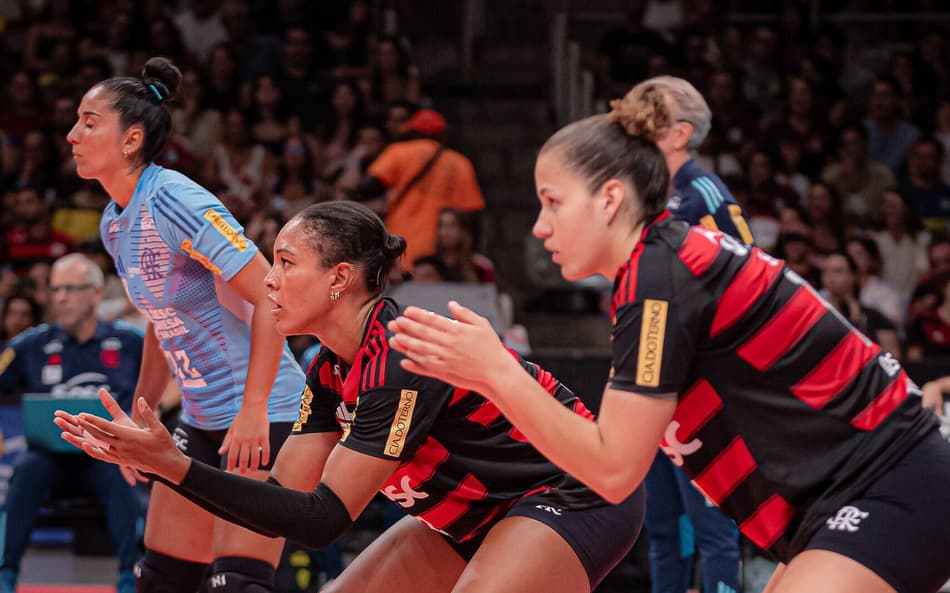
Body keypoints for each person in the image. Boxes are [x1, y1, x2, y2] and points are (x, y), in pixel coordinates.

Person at [386, 88, 950, 593]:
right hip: (838, 504)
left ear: (609, 199)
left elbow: (612, 471)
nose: (539, 225)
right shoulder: (658, 266)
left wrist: (496, 372)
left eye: (552, 201)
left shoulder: (660, 276)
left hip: (888, 487)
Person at [57, 201, 646, 593]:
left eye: (285, 263)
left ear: (339, 278)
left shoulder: (400, 355)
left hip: (572, 494)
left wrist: (175, 467)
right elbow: (285, 500)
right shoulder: (330, 369)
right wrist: (165, 467)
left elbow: (323, 520)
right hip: (469, 514)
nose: (268, 280)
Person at [65, 57, 306, 593]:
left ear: (131, 139)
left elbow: (272, 297)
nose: (72, 135)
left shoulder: (175, 199)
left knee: (237, 583)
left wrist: (253, 408)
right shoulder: (113, 222)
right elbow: (161, 318)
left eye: (88, 122)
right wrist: (140, 418)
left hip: (262, 414)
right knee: (161, 581)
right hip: (198, 419)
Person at [620, 76, 743, 593]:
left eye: (652, 117)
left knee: (712, 527)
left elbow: (748, 279)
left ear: (681, 133)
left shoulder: (705, 194)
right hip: (651, 383)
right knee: (663, 528)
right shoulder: (644, 196)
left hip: (701, 384)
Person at [0, 254, 144, 593]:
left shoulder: (130, 342)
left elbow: (169, 381)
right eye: (55, 290)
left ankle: (131, 578)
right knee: (27, 469)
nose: (60, 298)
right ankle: (5, 575)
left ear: (96, 293)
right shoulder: (30, 344)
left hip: (107, 457)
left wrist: (146, 419)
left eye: (69, 289)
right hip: (48, 459)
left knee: (123, 472)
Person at [820, 251, 901, 360]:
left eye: (837, 271)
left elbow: (893, 357)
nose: (829, 277)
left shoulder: (874, 317)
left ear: (853, 276)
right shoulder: (816, 316)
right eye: (825, 271)